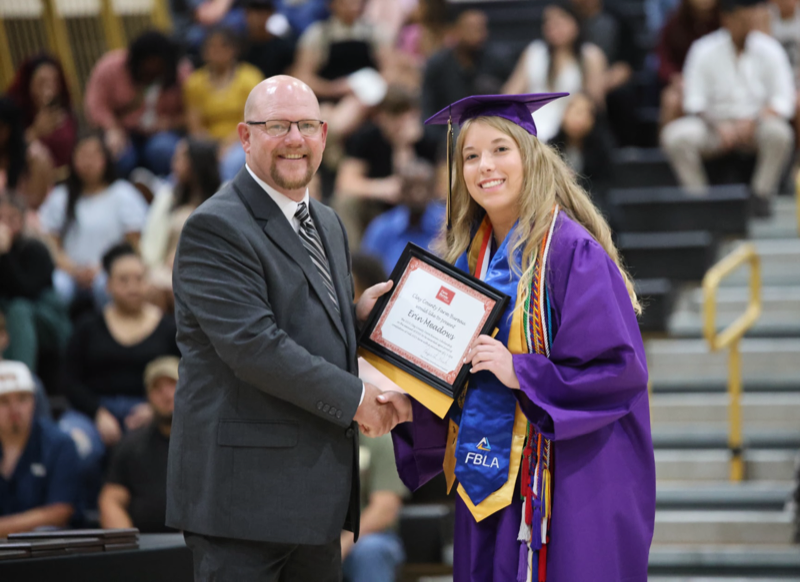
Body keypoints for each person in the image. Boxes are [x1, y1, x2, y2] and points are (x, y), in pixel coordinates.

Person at [379, 93, 655, 581]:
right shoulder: (463, 261)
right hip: (485, 480)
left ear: (530, 156)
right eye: (470, 156)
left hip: (561, 481)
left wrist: (521, 371)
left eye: (500, 149)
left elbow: (619, 371)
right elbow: (457, 378)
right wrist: (412, 404)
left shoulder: (571, 252)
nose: (484, 165)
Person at [166, 75, 406, 581]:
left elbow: (300, 326)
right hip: (242, 503)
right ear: (245, 136)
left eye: (307, 126)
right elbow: (254, 347)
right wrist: (358, 399)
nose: (295, 139)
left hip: (316, 498)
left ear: (324, 135)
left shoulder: (327, 222)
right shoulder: (216, 226)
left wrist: (355, 320)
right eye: (277, 125)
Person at [660, 0, 796, 217]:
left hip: (755, 125)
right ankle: (700, 201)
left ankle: (760, 197)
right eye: (741, 18)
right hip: (714, 126)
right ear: (727, 19)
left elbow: (783, 100)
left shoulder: (769, 48)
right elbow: (694, 101)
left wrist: (754, 121)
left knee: (780, 133)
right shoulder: (704, 48)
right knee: (675, 136)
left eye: (749, 17)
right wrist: (719, 125)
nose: (747, 23)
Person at [38, 132, 149, 309]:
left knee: (104, 285)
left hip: (110, 269)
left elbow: (133, 243)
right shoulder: (61, 196)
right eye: (82, 156)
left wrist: (102, 268)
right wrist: (74, 270)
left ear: (105, 159)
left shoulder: (124, 194)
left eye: (94, 156)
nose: (88, 162)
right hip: (69, 272)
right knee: (58, 288)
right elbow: (50, 242)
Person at [335, 85, 438, 243]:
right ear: (381, 117)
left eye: (406, 116)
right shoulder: (366, 138)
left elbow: (443, 185)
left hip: (421, 206)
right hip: (377, 206)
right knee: (346, 202)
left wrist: (405, 146)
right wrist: (380, 188)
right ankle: (353, 256)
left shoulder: (427, 140)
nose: (400, 124)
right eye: (395, 116)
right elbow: (345, 183)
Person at [84, 31, 189, 177]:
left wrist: (170, 123)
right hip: (122, 132)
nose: (152, 69)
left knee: (164, 150)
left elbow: (192, 113)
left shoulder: (180, 73)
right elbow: (96, 106)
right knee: (120, 156)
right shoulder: (110, 67)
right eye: (147, 67)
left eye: (158, 67)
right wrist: (111, 128)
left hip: (161, 134)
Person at [503, 1, 607, 143]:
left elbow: (596, 102)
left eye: (560, 20)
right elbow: (510, 93)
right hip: (531, 125)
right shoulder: (535, 52)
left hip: (572, 127)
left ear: (575, 23)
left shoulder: (590, 55)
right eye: (548, 22)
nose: (553, 26)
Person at [0, 359, 81, 535]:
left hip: (46, 546)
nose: (15, 409)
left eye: (22, 399)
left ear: (34, 401)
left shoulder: (60, 444)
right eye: (4, 401)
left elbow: (59, 512)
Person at [99, 356, 179, 533]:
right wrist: (128, 541)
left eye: (173, 385)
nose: (166, 395)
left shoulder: (207, 444)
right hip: (144, 543)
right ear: (148, 396)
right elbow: (111, 499)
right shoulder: (131, 446)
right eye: (157, 388)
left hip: (197, 544)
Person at [140, 138, 221, 310]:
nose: (173, 162)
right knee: (153, 289)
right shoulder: (168, 197)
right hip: (166, 268)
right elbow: (152, 243)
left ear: (197, 162)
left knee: (179, 289)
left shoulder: (223, 196)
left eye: (180, 158)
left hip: (205, 268)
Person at [0, 191, 70, 373]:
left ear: (22, 220)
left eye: (12, 217)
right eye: (0, 217)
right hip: (10, 318)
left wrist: (5, 254)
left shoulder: (36, 249)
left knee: (18, 309)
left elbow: (25, 291)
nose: (4, 224)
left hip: (46, 319)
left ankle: (22, 378)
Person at [184, 26, 264, 182]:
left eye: (223, 46)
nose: (217, 51)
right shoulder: (194, 82)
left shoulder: (250, 77)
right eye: (211, 46)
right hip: (207, 143)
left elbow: (252, 122)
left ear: (234, 50)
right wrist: (209, 149)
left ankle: (226, 195)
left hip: (242, 140)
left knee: (231, 161)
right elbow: (194, 125)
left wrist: (225, 146)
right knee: (183, 158)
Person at [420, 10, 508, 138]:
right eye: (471, 28)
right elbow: (427, 106)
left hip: (489, 129)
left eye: (481, 28)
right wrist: (437, 137)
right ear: (457, 30)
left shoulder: (498, 62)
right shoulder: (437, 64)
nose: (477, 34)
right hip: (447, 133)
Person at [342, 433, 408, 582]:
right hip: (315, 536)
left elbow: (384, 509)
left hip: (365, 535)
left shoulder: (380, 440)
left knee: (370, 550)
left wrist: (342, 545)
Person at [360, 159, 445, 274]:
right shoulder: (381, 228)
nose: (418, 195)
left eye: (425, 188)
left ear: (434, 190)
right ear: (401, 191)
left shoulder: (445, 225)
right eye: (411, 188)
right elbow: (366, 274)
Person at [7, 54, 78, 172]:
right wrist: (35, 131)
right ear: (29, 84)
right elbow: (9, 154)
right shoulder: (14, 115)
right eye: (42, 82)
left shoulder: (67, 113)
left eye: (54, 81)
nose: (49, 87)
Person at [656, 0, 721, 127]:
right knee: (671, 100)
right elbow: (663, 58)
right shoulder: (675, 22)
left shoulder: (726, 21)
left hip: (719, 83)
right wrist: (675, 77)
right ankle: (669, 139)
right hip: (684, 83)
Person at [549, 92, 616, 206]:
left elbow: (603, 184)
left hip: (593, 203)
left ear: (593, 119)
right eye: (574, 111)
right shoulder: (551, 146)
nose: (578, 119)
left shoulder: (601, 147)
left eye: (584, 113)